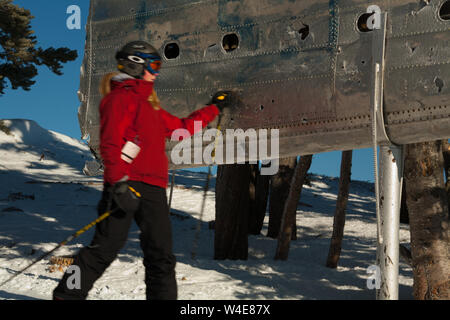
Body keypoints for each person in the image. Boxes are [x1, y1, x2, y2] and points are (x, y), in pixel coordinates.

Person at [53, 40, 231, 300]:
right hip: (125, 186)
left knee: (161, 255)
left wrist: (213, 108)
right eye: (155, 65)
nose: (157, 72)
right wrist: (119, 184)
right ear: (137, 65)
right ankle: (65, 296)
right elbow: (111, 144)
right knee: (102, 250)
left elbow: (180, 129)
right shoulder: (118, 99)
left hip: (154, 190)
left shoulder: (151, 106)